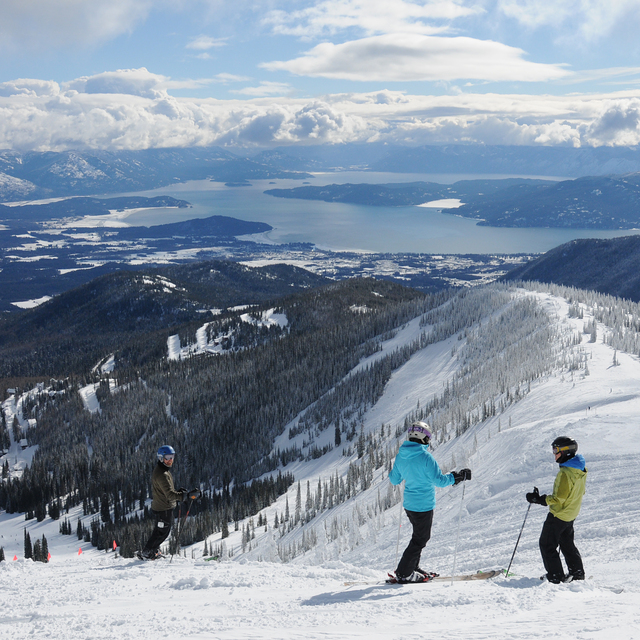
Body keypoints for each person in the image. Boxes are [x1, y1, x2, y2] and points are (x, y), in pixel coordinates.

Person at [389, 421, 472, 583]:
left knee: (418, 536)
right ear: (424, 437)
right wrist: (457, 477)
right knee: (420, 539)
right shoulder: (425, 457)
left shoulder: (401, 456)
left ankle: (412, 566)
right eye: (428, 437)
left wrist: (399, 467)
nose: (429, 440)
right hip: (423, 505)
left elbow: (394, 479)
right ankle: (404, 573)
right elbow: (440, 481)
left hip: (410, 505)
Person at [526, 436, 587, 583]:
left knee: (547, 544)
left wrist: (539, 499)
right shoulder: (579, 469)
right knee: (567, 544)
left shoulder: (565, 473)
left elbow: (558, 498)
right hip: (570, 513)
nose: (554, 454)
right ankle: (577, 573)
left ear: (566, 451)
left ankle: (555, 576)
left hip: (559, 515)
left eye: (556, 450)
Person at [138, 445, 201, 560]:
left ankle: (153, 550)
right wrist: (185, 496)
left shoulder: (163, 470)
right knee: (163, 532)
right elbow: (170, 495)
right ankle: (147, 551)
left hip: (162, 505)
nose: (170, 460)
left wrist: (180, 493)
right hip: (163, 508)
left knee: (160, 530)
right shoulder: (162, 474)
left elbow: (166, 491)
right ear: (161, 458)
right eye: (167, 457)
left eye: (172, 457)